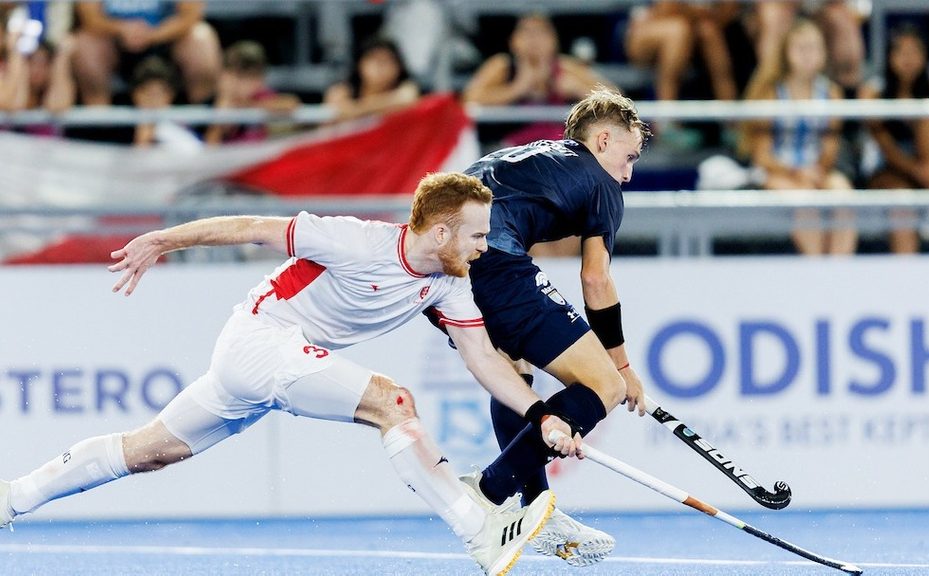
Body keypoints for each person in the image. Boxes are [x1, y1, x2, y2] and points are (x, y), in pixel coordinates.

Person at [0, 172, 587, 576]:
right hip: (259, 342)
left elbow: (483, 359)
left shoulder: (450, 280)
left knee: (153, 450)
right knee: (392, 402)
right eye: (479, 234)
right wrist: (162, 239)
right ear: (441, 232)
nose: (487, 245)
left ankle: (12, 497)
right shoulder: (356, 241)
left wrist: (542, 418)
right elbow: (250, 226)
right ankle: (478, 531)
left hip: (279, 360)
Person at [428, 87, 648, 567]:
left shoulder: (528, 154)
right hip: (493, 261)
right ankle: (488, 493)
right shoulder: (601, 183)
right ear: (604, 139)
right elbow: (595, 278)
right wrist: (623, 366)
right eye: (629, 157)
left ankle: (534, 511)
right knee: (603, 386)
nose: (628, 174)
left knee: (513, 369)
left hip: (438, 263)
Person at [741, 19, 857, 256]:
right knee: (805, 202)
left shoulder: (831, 93)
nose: (807, 55)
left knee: (842, 194)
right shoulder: (770, 93)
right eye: (800, 48)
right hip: (777, 169)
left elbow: (830, 145)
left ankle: (839, 271)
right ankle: (816, 271)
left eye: (813, 47)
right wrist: (795, 173)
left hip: (817, 168)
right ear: (787, 53)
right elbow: (762, 154)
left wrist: (816, 171)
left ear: (824, 53)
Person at [858, 24, 929, 254]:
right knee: (902, 205)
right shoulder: (873, 93)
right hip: (888, 171)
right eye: (902, 52)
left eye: (915, 52)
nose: (909, 59)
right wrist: (918, 171)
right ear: (889, 56)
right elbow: (884, 145)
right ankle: (904, 279)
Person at [462, 13, 609, 147]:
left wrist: (579, 89)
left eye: (541, 31)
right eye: (526, 31)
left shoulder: (565, 67)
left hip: (559, 150)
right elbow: (469, 99)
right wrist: (516, 89)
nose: (534, 38)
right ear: (513, 41)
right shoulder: (503, 66)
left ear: (554, 41)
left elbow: (615, 98)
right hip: (507, 151)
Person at [72, 0, 221, 106]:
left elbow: (191, 16)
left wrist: (153, 35)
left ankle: (203, 121)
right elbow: (89, 17)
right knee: (85, 43)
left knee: (201, 38)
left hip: (166, 38)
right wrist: (122, 29)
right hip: (114, 40)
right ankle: (98, 125)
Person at [205, 40, 299, 145]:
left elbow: (291, 104)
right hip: (229, 158)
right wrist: (226, 103)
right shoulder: (218, 100)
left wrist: (246, 106)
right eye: (241, 76)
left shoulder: (261, 95)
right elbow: (211, 144)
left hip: (259, 157)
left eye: (253, 76)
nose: (247, 84)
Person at [323, 35, 420, 124]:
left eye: (388, 61)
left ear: (399, 67)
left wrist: (355, 109)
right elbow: (336, 111)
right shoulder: (342, 91)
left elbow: (406, 99)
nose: (381, 67)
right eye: (374, 60)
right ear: (360, 65)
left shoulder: (406, 88)